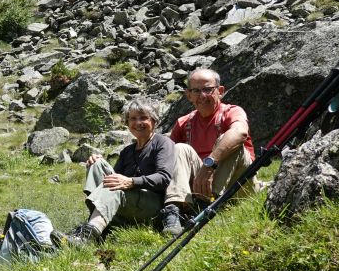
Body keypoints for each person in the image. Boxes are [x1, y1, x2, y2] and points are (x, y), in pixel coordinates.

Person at [68, 98, 180, 245]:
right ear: (127, 123)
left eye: (144, 118)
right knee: (97, 164)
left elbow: (163, 178)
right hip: (132, 202)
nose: (138, 123)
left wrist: (132, 181)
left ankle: (87, 236)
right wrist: (96, 161)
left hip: (153, 206)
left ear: (154, 121)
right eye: (133, 119)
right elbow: (113, 180)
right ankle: (99, 220)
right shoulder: (127, 151)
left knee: (114, 186)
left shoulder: (162, 143)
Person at [165, 68, 256, 216]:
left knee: (229, 141)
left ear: (220, 91)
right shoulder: (183, 123)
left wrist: (209, 165)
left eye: (208, 89)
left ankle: (208, 204)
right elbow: (168, 158)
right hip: (199, 185)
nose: (203, 96)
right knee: (179, 148)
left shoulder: (232, 111)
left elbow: (240, 132)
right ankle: (175, 208)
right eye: (196, 91)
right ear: (189, 95)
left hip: (237, 183)